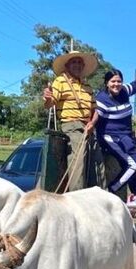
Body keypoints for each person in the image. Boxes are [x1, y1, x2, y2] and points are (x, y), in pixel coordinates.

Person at [87, 55, 136, 197]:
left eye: (119, 81)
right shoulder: (102, 98)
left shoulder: (124, 92)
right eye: (113, 81)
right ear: (106, 83)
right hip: (110, 138)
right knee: (134, 164)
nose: (116, 84)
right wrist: (92, 124)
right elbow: (97, 113)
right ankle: (111, 191)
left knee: (132, 167)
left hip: (126, 137)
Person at [43, 50, 98, 191]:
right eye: (74, 62)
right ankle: (76, 196)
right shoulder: (60, 81)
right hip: (71, 126)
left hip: (89, 128)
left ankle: (94, 195)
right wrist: (48, 97)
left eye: (80, 62)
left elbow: (95, 110)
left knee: (96, 164)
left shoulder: (88, 87)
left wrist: (92, 123)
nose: (77, 65)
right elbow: (50, 104)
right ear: (67, 66)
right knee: (77, 163)